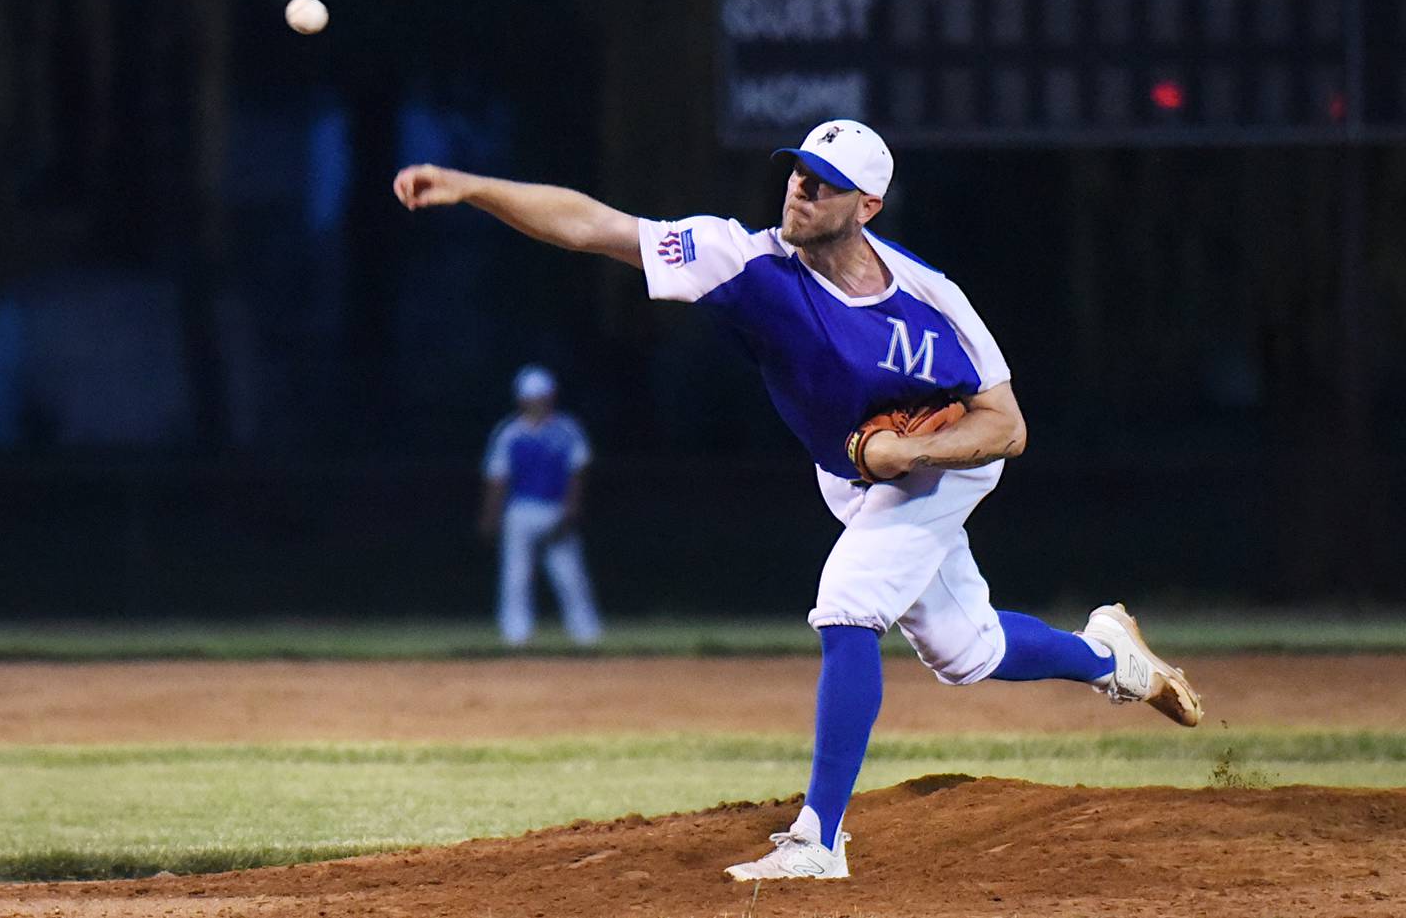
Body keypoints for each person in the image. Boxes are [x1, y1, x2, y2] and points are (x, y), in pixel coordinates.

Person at [394, 119, 1201, 881]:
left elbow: (1009, 425)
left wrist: (906, 450)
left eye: (827, 182)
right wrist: (470, 185)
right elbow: (593, 225)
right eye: (799, 173)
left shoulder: (932, 297)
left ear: (868, 205)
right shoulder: (743, 262)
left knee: (847, 604)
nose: (802, 190)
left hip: (946, 465)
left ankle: (819, 836)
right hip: (851, 476)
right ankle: (1112, 658)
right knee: (967, 651)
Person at [479, 364, 602, 648]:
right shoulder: (510, 433)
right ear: (521, 400)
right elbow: (498, 478)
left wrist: (572, 509)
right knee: (516, 576)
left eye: (542, 397)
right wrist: (490, 516)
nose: (537, 403)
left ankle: (587, 635)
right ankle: (516, 635)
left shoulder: (566, 430)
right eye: (532, 397)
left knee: (570, 575)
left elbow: (577, 472)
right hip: (520, 511)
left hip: (554, 510)